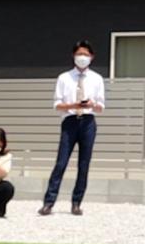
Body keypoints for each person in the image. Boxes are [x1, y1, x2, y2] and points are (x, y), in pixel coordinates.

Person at [39, 40, 105, 216]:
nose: (82, 57)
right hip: (69, 121)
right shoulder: (64, 78)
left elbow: (101, 107)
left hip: (88, 121)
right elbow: (57, 104)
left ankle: (76, 203)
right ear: (73, 56)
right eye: (79, 54)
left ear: (92, 57)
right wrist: (73, 105)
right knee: (61, 162)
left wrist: (91, 104)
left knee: (84, 164)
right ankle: (49, 202)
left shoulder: (97, 78)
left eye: (85, 54)